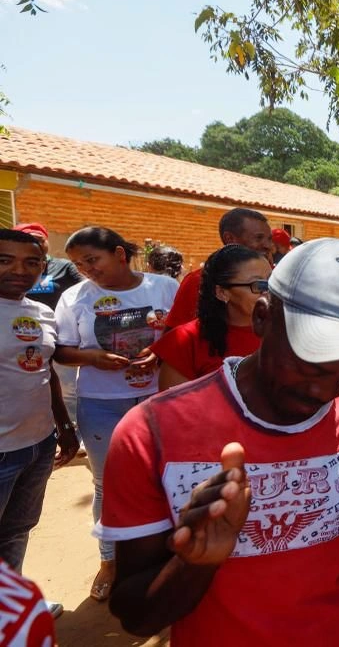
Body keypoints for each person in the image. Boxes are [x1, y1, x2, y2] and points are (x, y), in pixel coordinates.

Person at [97, 239, 339, 645]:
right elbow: (136, 616)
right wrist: (196, 564)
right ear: (262, 318)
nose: (327, 393)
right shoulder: (151, 432)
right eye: (311, 365)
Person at [53, 226, 178, 603]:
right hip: (102, 402)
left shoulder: (163, 288)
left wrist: (161, 353)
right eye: (78, 264)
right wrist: (91, 358)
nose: (86, 269)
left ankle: (167, 556)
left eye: (93, 260)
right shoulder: (75, 297)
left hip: (161, 399)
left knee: (167, 479)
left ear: (120, 255)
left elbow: (185, 330)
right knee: (108, 485)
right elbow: (60, 351)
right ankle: (109, 561)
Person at [0, 229, 79, 615]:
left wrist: (63, 427)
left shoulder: (40, 312)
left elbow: (43, 372)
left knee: (17, 530)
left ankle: (10, 608)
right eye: (5, 260)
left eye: (31, 262)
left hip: (37, 444)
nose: (19, 270)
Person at [150, 245, 270, 390]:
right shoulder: (185, 341)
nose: (268, 291)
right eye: (258, 285)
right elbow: (174, 408)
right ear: (222, 293)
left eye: (272, 281)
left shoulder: (285, 332)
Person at [164, 208, 274, 330]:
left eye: (269, 239)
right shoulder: (198, 281)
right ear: (230, 239)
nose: (268, 246)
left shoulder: (278, 277)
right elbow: (174, 334)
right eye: (258, 238)